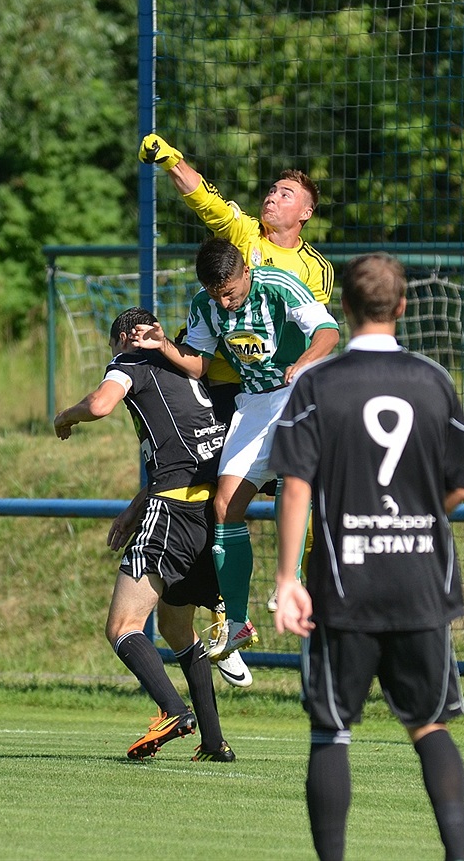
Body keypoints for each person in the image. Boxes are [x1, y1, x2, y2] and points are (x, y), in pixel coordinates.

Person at [269, 253, 464, 861]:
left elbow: (296, 485)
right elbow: (462, 483)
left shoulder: (318, 383)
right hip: (421, 582)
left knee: (331, 732)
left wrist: (287, 578)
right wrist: (418, 518)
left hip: (345, 586)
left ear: (346, 309)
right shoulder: (433, 380)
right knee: (429, 724)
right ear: (404, 305)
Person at [139, 132, 331, 609]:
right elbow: (206, 199)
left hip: (279, 392)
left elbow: (318, 333)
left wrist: (297, 369)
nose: (273, 196)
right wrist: (170, 160)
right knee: (201, 493)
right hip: (219, 386)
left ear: (305, 212)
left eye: (287, 193)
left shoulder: (312, 269)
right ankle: (222, 608)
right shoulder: (244, 236)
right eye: (271, 190)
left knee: (303, 486)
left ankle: (300, 586)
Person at [130, 238, 340, 661]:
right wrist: (164, 346)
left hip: (298, 394)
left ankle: (291, 583)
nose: (224, 303)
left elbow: (328, 331)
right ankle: (239, 623)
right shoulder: (205, 305)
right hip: (253, 405)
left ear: (246, 271)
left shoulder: (280, 284)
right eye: (215, 294)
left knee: (289, 477)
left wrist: (303, 363)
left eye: (230, 292)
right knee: (225, 505)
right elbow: (200, 363)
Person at [54, 307, 235, 762]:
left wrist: (66, 416)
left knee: (122, 626)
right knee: (178, 629)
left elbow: (100, 404)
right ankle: (214, 742)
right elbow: (187, 450)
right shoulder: (189, 368)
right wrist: (136, 506)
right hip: (209, 511)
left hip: (172, 512)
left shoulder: (129, 362)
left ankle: (173, 710)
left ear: (121, 340)